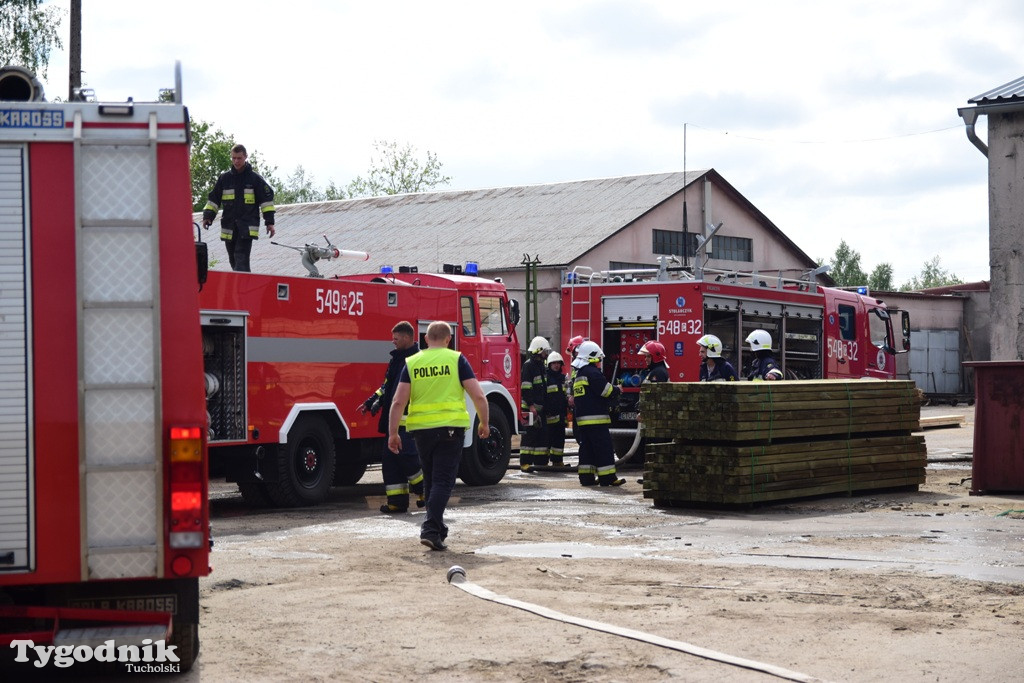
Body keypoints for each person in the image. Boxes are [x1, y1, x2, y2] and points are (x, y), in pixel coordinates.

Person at [388, 321, 489, 551]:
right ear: (448, 339)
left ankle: (438, 529)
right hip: (450, 429)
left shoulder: (412, 362)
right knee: (443, 481)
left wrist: (393, 433)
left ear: (425, 339)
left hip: (421, 431)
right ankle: (431, 529)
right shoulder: (456, 359)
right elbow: (479, 396)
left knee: (432, 481)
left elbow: (398, 401)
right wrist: (484, 422)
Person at [358, 321, 425, 513]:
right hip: (392, 420)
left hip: (408, 421)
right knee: (390, 463)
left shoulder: (416, 360)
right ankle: (397, 502)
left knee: (409, 460)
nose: (392, 341)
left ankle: (425, 490)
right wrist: (372, 401)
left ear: (406, 338)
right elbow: (386, 386)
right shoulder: (396, 359)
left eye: (395, 338)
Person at [202, 144, 276, 272]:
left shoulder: (255, 179)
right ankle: (240, 286)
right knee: (233, 260)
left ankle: (242, 289)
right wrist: (208, 216)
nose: (236, 161)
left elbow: (266, 202)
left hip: (246, 227)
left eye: (239, 158)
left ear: (246, 157)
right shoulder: (224, 179)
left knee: (241, 258)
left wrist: (269, 223)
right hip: (229, 227)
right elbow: (214, 199)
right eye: (233, 158)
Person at [571, 341, 625, 487]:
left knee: (586, 449)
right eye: (599, 359)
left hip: (583, 421)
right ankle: (608, 478)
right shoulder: (593, 373)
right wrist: (617, 389)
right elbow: (605, 391)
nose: (600, 361)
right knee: (604, 449)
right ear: (592, 357)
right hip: (596, 420)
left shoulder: (579, 374)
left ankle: (586, 478)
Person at [518, 336, 550, 472]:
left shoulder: (541, 366)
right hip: (530, 408)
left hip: (540, 408)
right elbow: (526, 387)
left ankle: (540, 462)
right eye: (544, 352)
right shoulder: (528, 366)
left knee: (542, 436)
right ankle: (525, 463)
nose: (546, 354)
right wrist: (531, 406)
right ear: (538, 350)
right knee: (529, 437)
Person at [540, 351, 568, 468]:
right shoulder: (546, 379)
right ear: (549, 365)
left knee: (559, 440)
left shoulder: (563, 379)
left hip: (561, 416)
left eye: (558, 363)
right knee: (547, 440)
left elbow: (566, 395)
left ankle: (557, 461)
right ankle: (543, 462)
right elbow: (543, 397)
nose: (556, 365)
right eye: (554, 363)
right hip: (550, 417)